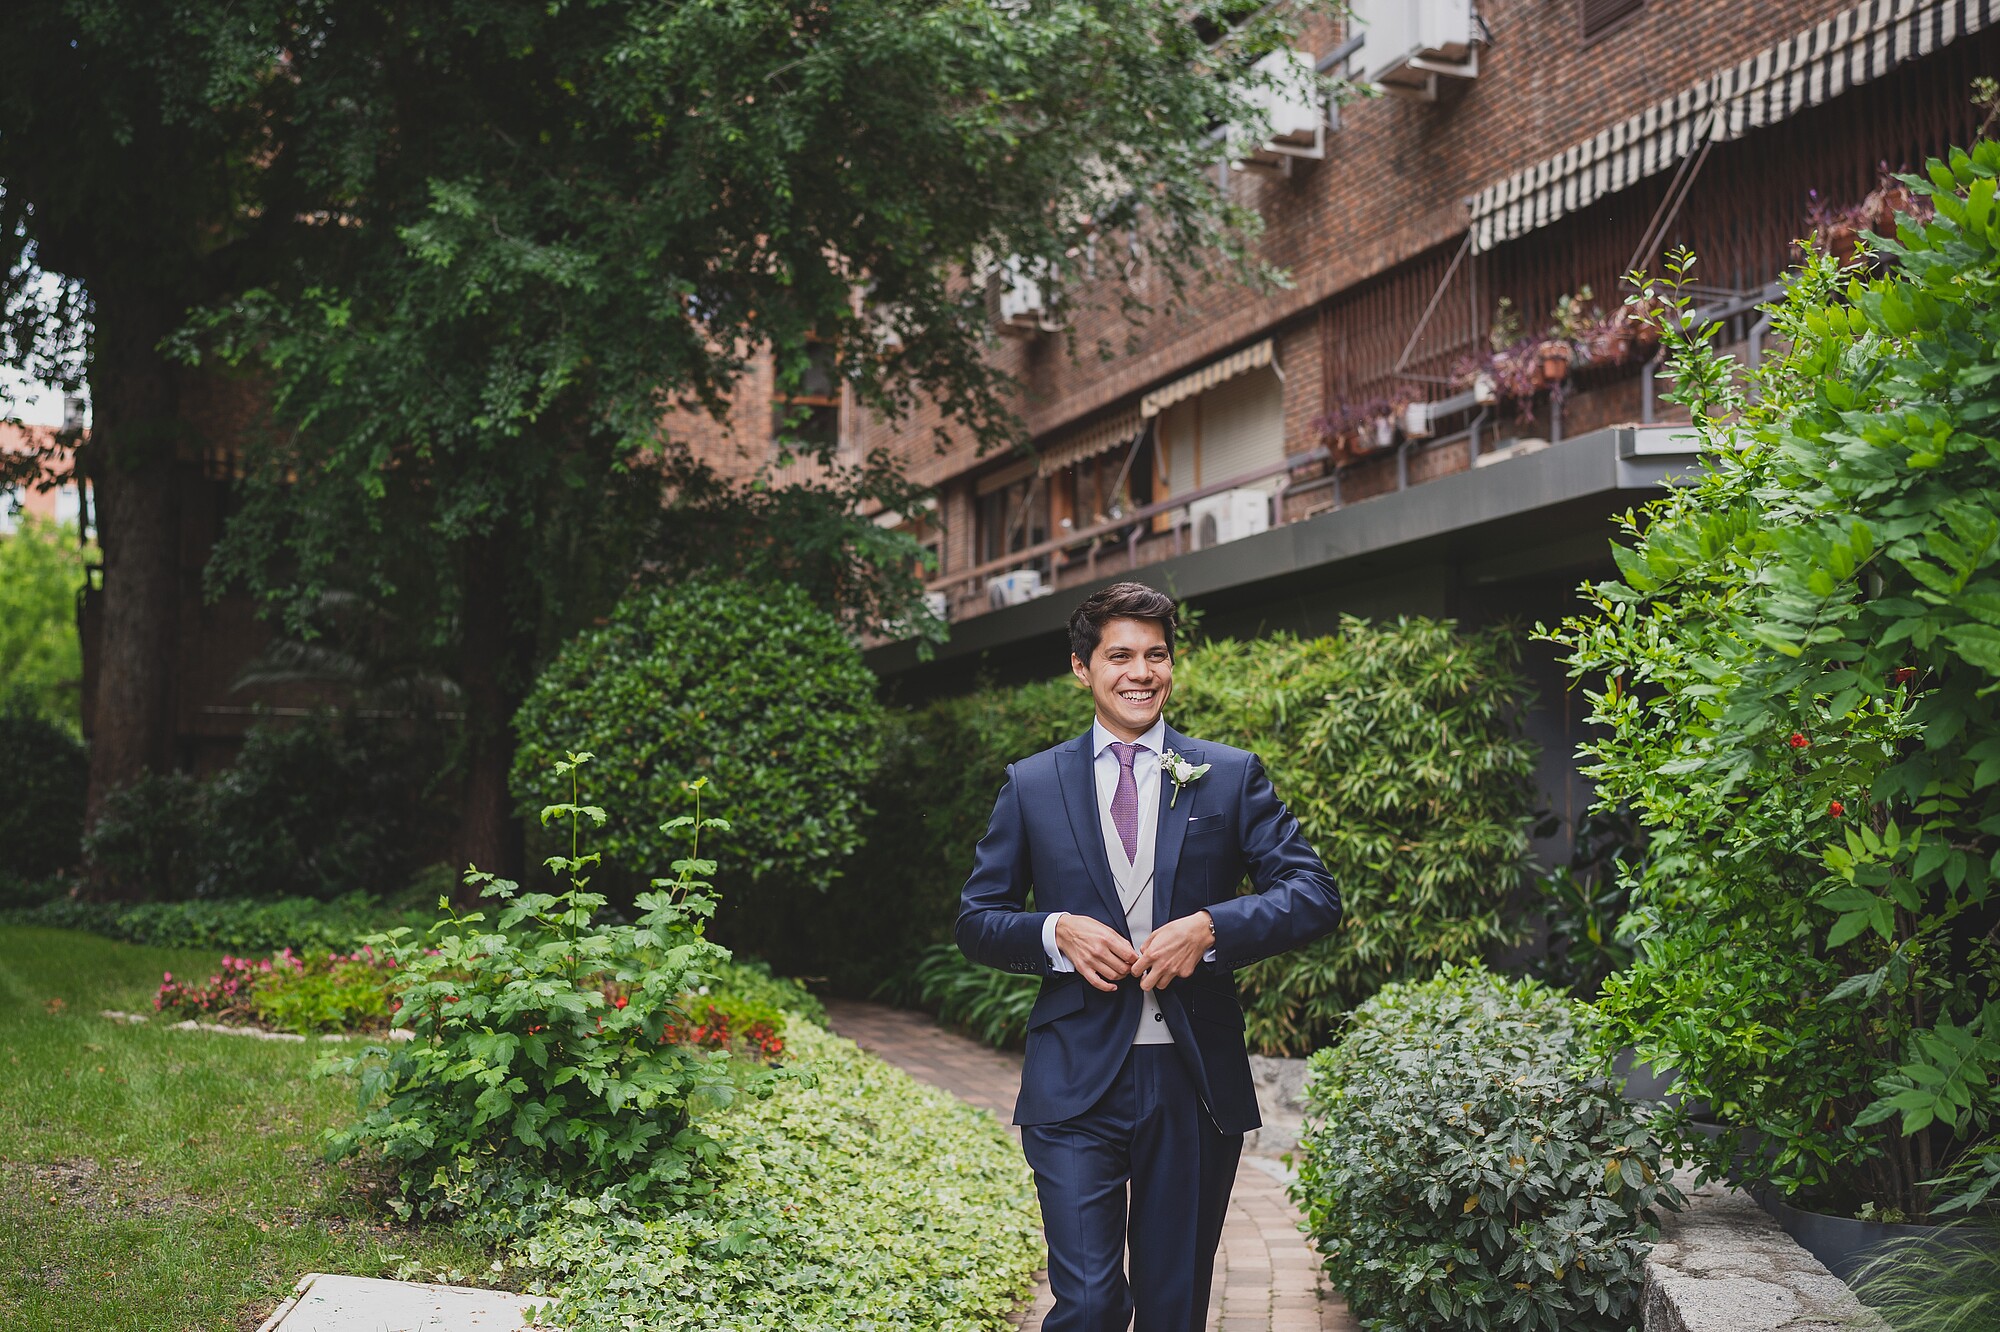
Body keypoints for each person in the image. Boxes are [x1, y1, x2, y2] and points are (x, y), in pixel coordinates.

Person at [955, 581, 1343, 1332]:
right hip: (1073, 1079)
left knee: (1173, 1309)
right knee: (1092, 1304)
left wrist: (1211, 925)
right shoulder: (1033, 784)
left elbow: (1314, 894)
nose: (1141, 672)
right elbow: (977, 919)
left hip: (1191, 1081)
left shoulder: (1228, 774)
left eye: (1156, 655)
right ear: (1082, 668)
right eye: (1120, 655)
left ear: (1172, 665)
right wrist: (1055, 931)